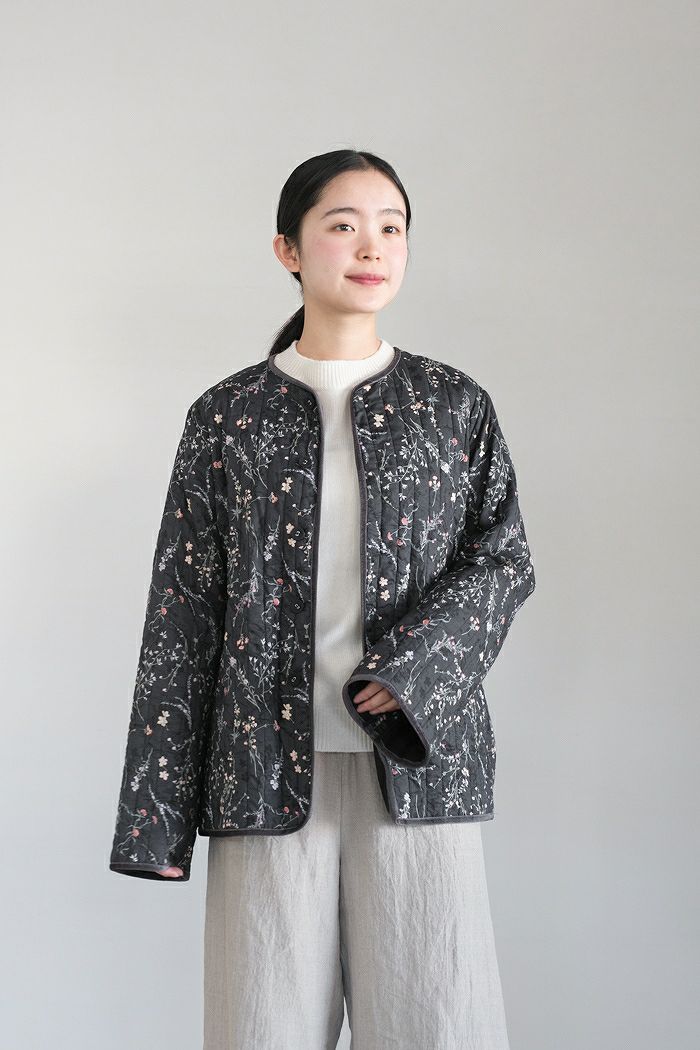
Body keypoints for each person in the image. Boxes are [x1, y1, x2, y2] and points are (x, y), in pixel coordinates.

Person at [109, 148, 536, 1050]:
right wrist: (156, 820)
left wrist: (411, 673)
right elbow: (182, 614)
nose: (372, 245)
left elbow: (503, 561)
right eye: (343, 225)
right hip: (261, 772)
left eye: (391, 226)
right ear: (289, 249)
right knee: (260, 1029)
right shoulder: (227, 417)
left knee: (439, 1026)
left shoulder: (451, 406)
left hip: (415, 763)